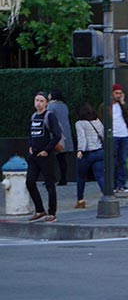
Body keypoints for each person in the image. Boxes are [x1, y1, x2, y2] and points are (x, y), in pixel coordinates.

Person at [26, 91, 62, 222]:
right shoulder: (34, 116)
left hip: (46, 156)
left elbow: (57, 135)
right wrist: (30, 146)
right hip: (34, 155)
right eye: (37, 100)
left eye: (41, 101)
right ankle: (40, 209)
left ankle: (52, 213)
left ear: (46, 103)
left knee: (49, 184)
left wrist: (47, 150)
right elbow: (30, 133)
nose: (38, 103)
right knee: (29, 182)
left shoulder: (49, 116)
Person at [73, 103, 105, 209]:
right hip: (99, 151)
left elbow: (82, 137)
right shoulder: (97, 121)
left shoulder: (80, 123)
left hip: (87, 153)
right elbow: (103, 135)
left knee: (81, 177)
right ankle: (107, 195)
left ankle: (80, 200)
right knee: (100, 176)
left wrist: (80, 150)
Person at [111, 84, 128, 196]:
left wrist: (123, 102)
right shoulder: (106, 106)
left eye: (120, 93)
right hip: (113, 135)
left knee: (123, 161)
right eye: (116, 93)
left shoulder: (121, 105)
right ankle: (113, 185)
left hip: (123, 134)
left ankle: (122, 184)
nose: (118, 95)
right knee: (113, 161)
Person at [47, 89, 72, 186]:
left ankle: (51, 179)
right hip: (65, 134)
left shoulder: (51, 106)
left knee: (50, 158)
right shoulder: (64, 106)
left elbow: (48, 119)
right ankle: (63, 178)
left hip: (54, 135)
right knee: (62, 158)